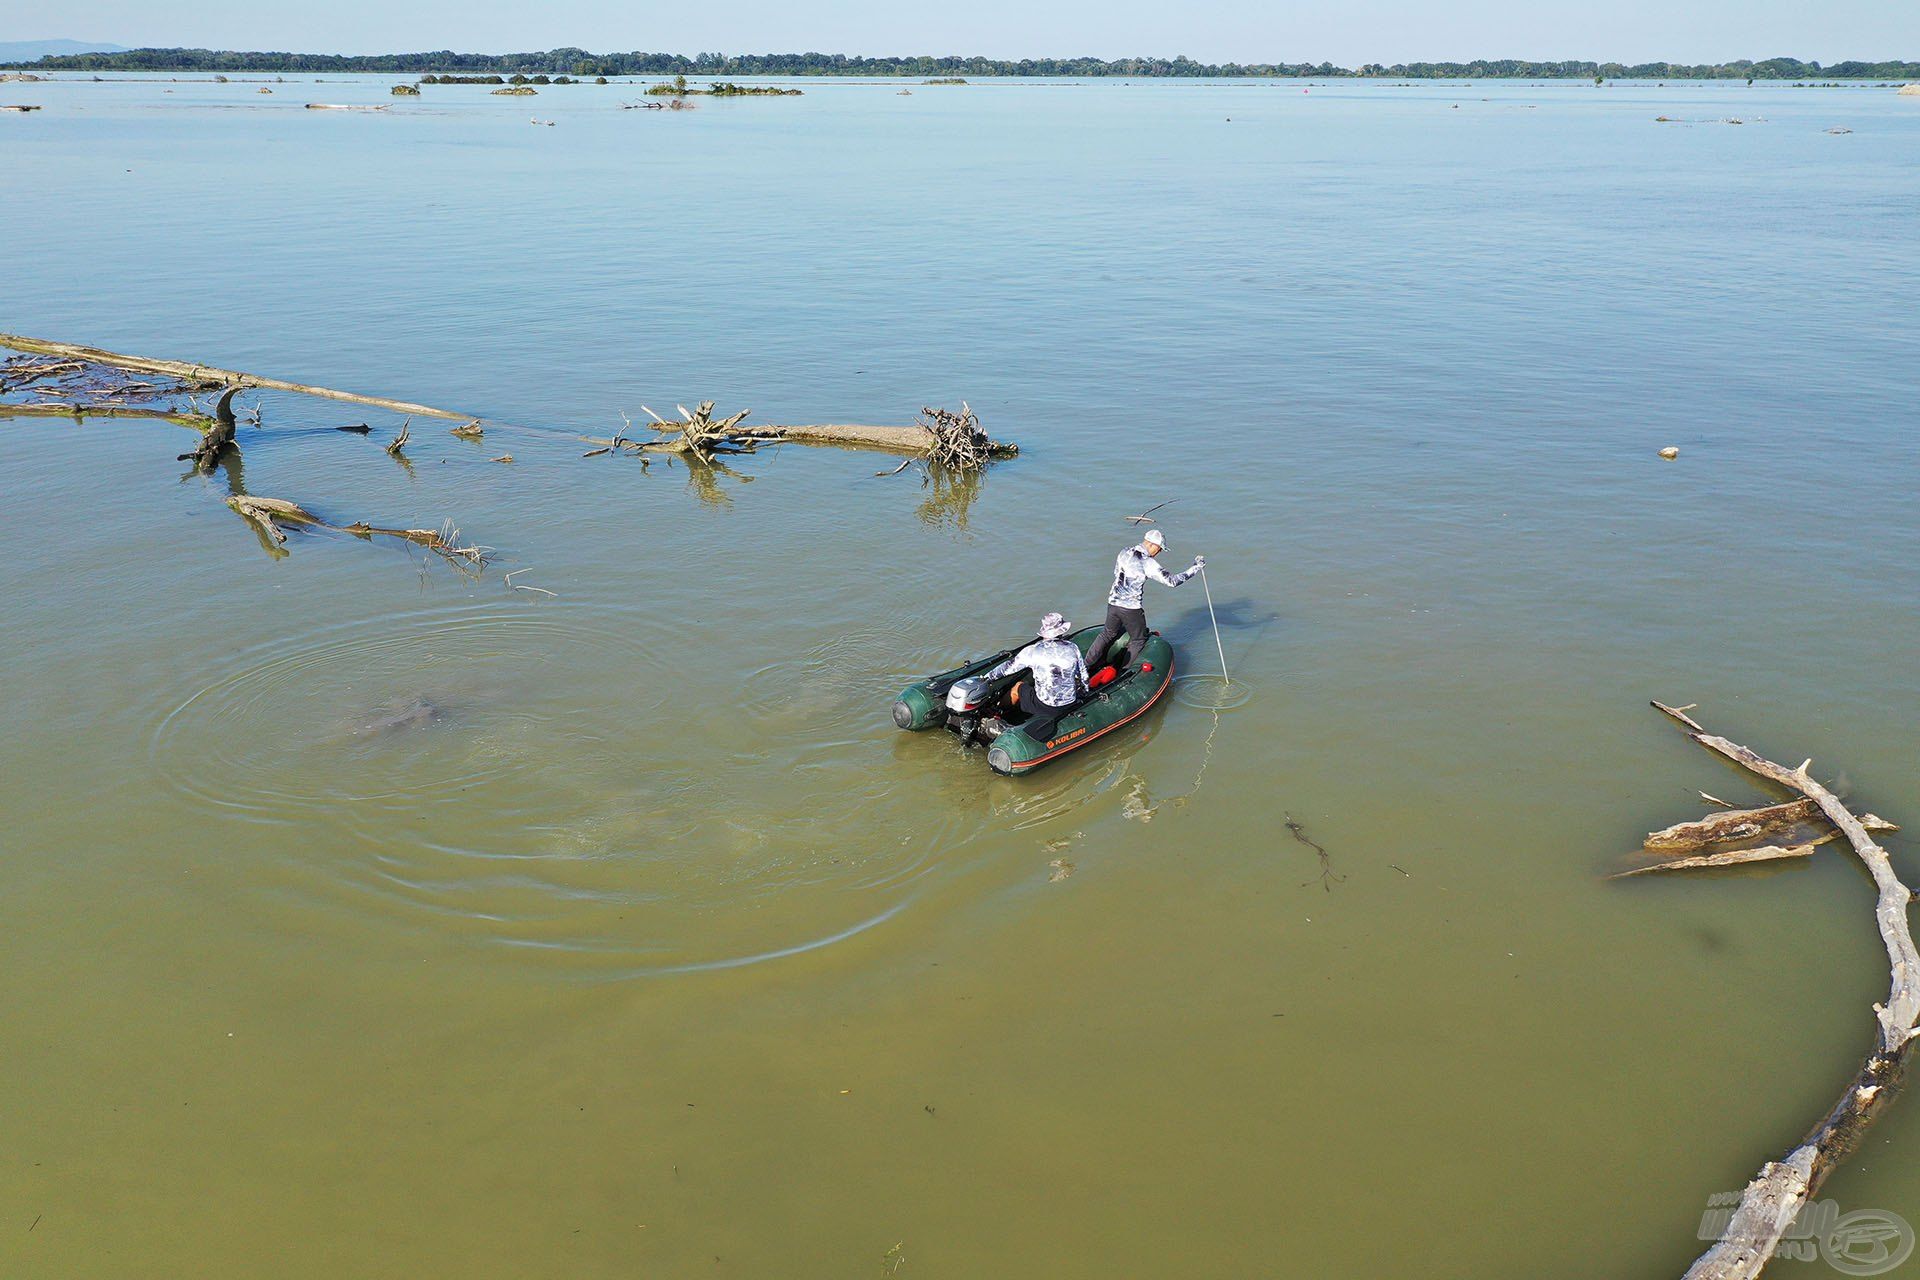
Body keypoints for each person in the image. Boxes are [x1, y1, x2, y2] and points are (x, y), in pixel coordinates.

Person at [1086, 529, 1204, 671]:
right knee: (1138, 639)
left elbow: (1116, 573)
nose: (1159, 552)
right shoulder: (1147, 562)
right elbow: (1172, 582)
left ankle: (1088, 664)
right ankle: (1124, 671)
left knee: (1107, 634)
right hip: (1131, 608)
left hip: (1113, 602)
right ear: (1152, 545)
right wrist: (1195, 568)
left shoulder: (1123, 552)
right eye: (1159, 549)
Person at [986, 611, 1089, 742]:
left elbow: (1008, 668)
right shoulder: (1073, 648)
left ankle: (997, 711)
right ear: (1061, 631)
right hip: (1068, 704)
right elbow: (1083, 676)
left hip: (1044, 705)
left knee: (1018, 687)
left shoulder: (1033, 651)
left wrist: (987, 677)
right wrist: (1084, 695)